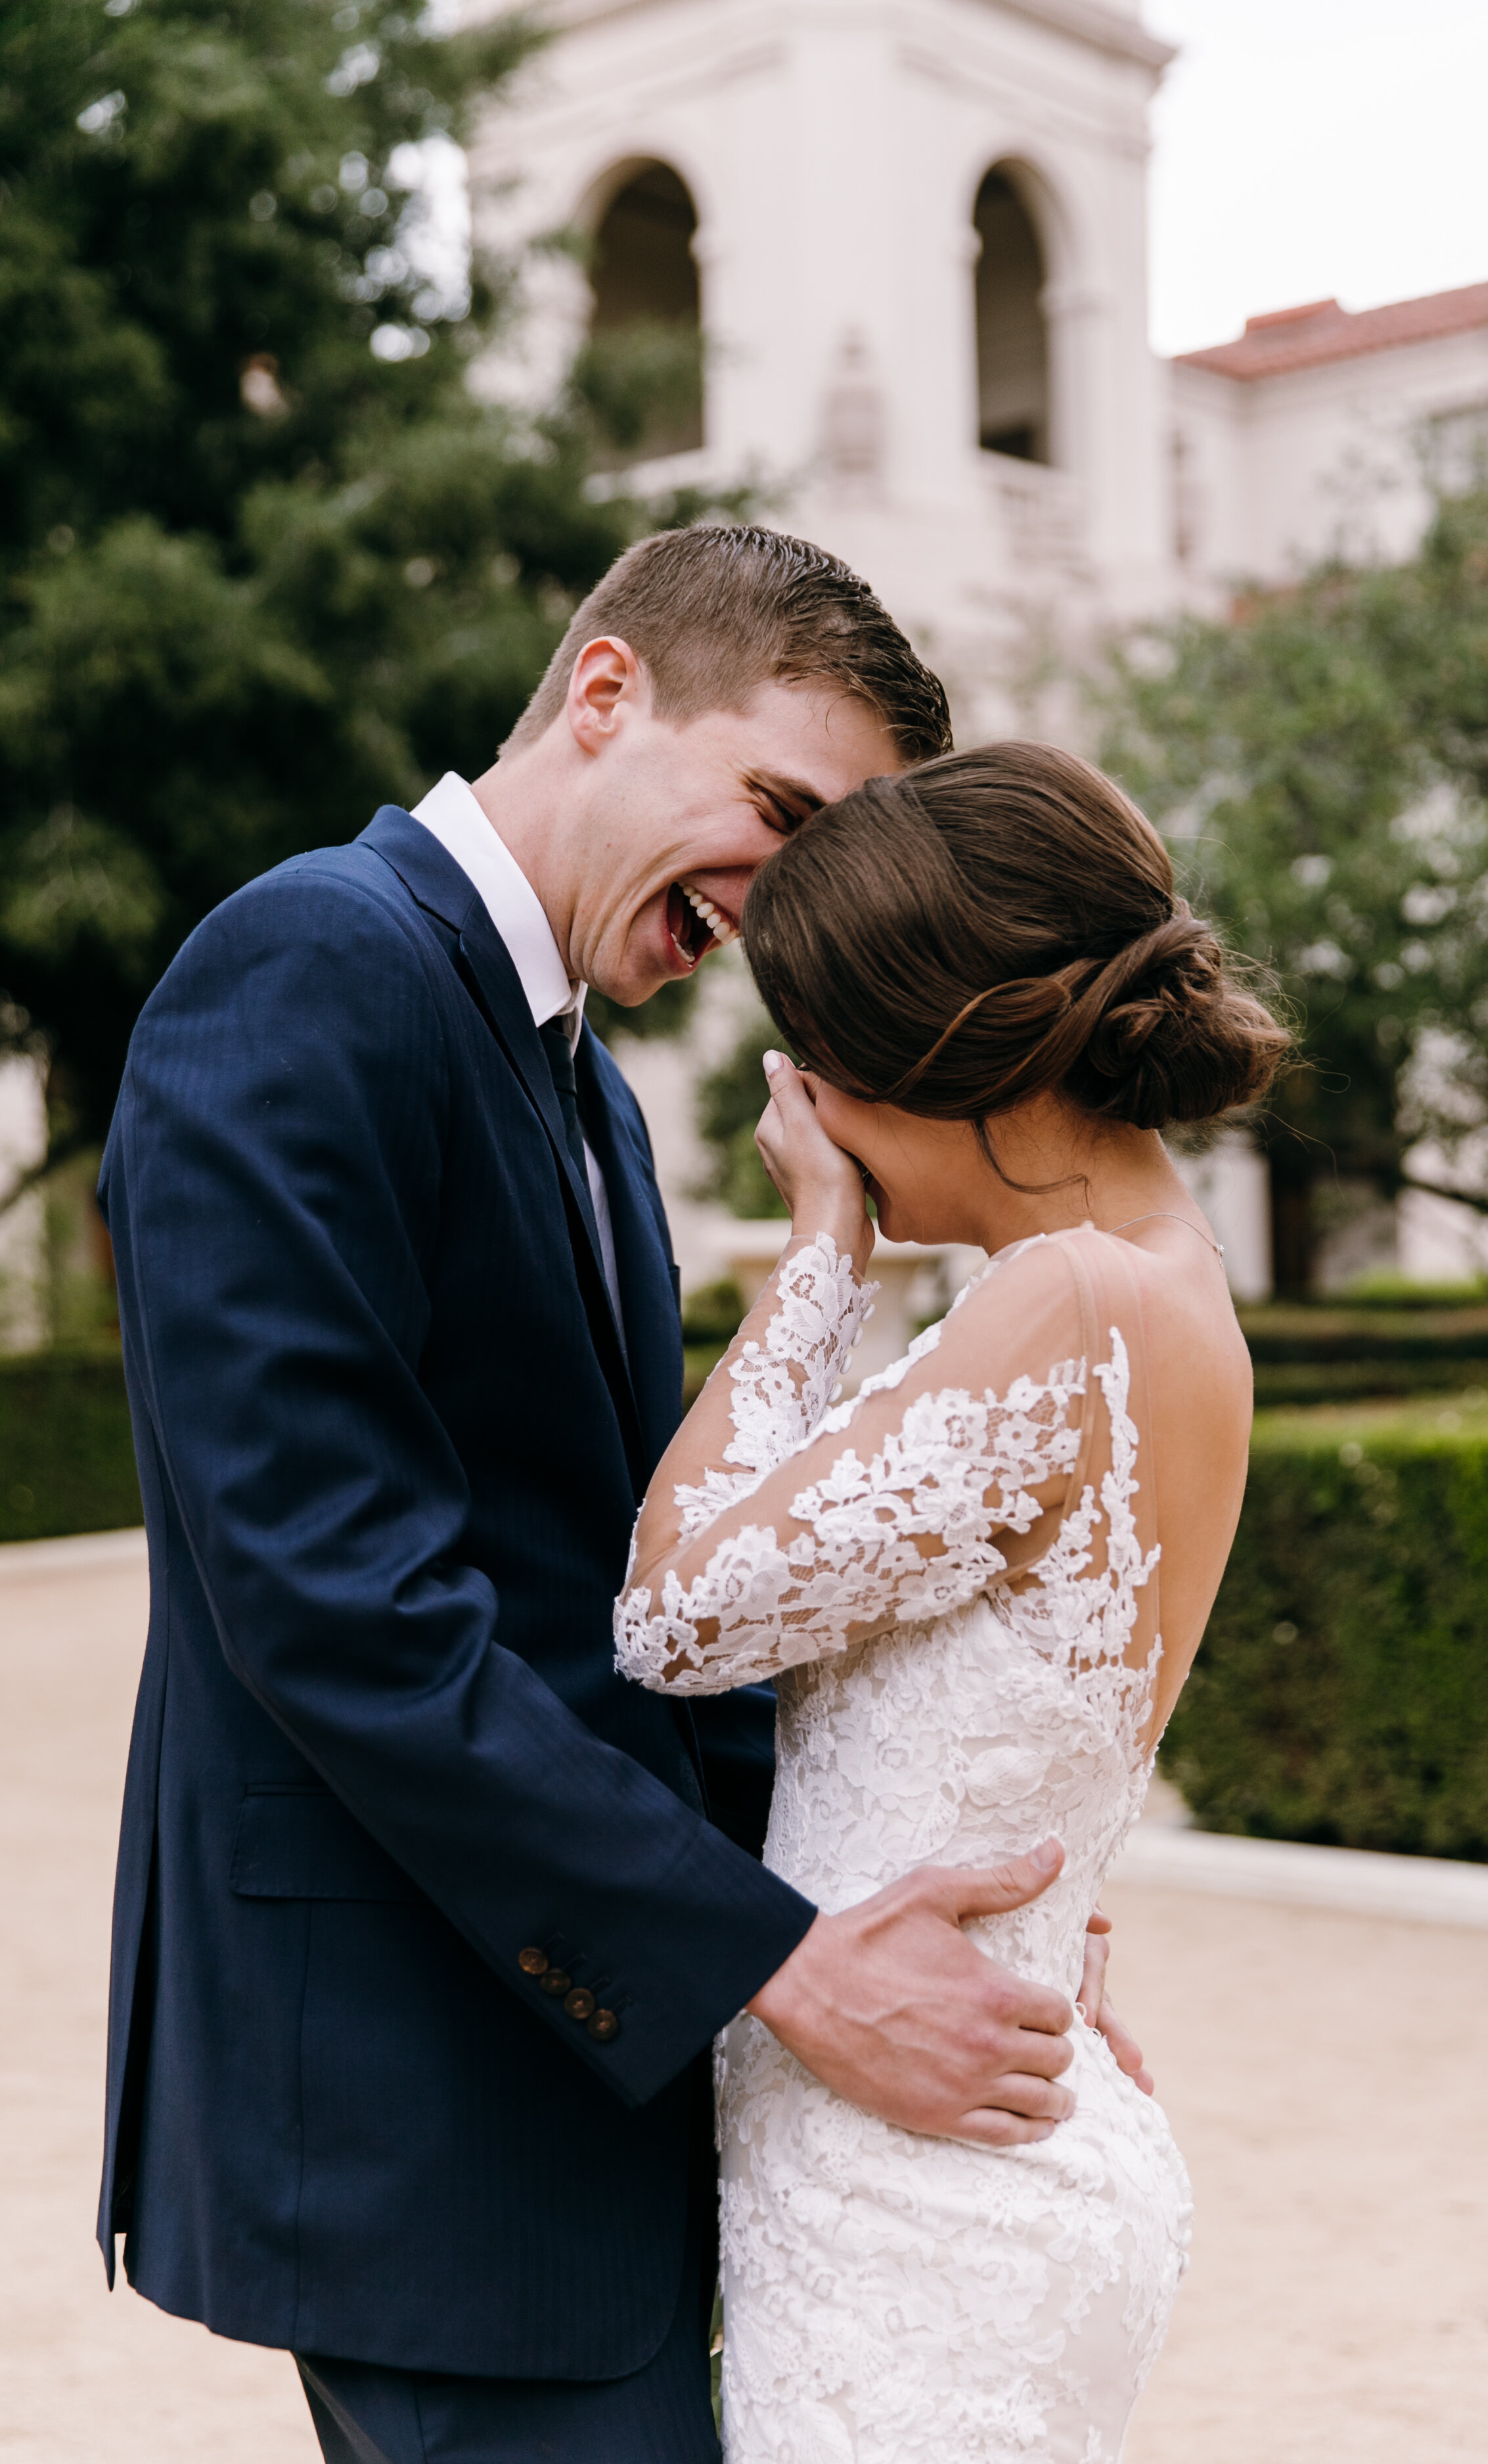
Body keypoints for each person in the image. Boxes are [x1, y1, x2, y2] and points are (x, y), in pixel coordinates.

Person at [97, 528, 1139, 2464]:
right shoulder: (309, 964)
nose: (783, 903)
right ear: (601, 693)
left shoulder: (580, 1081)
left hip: (580, 2071)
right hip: (428, 2102)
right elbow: (338, 1597)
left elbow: (630, 1607)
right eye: (778, 808)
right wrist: (776, 1964)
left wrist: (935, 1940)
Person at [617, 740, 1291, 2462]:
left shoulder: (1063, 1301)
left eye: (816, 1059)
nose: (804, 1107)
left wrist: (822, 1252)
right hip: (984, 2140)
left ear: (925, 1058)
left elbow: (674, 1618)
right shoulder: (1167, 1289)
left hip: (922, 2206)